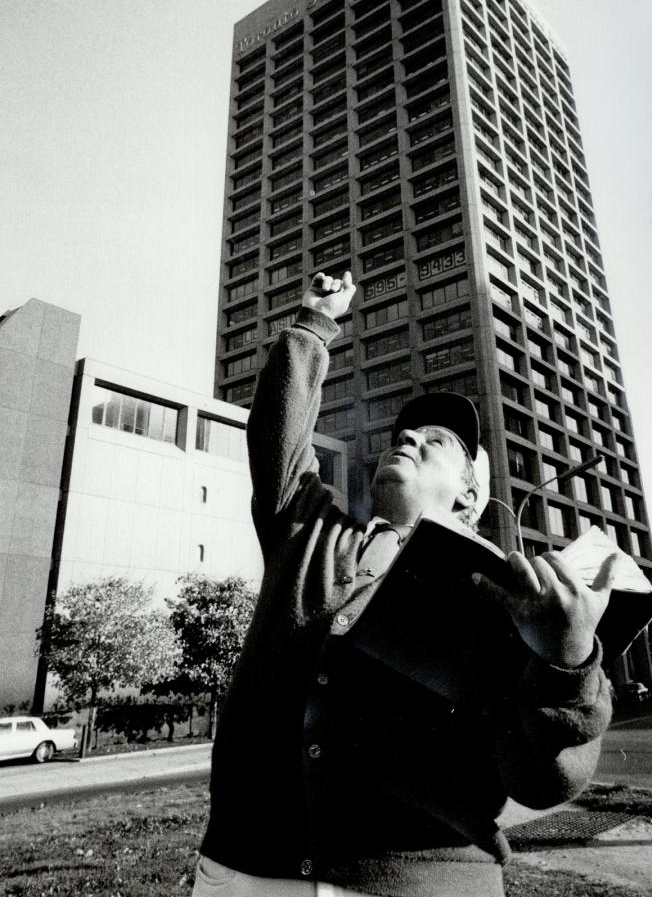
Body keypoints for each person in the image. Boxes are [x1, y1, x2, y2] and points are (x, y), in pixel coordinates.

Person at [194, 270, 617, 897]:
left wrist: (566, 661)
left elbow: (544, 781)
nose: (410, 440)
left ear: (471, 493)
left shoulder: (513, 594)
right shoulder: (313, 537)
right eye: (402, 437)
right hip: (242, 871)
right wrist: (314, 323)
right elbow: (278, 445)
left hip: (421, 880)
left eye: (436, 442)